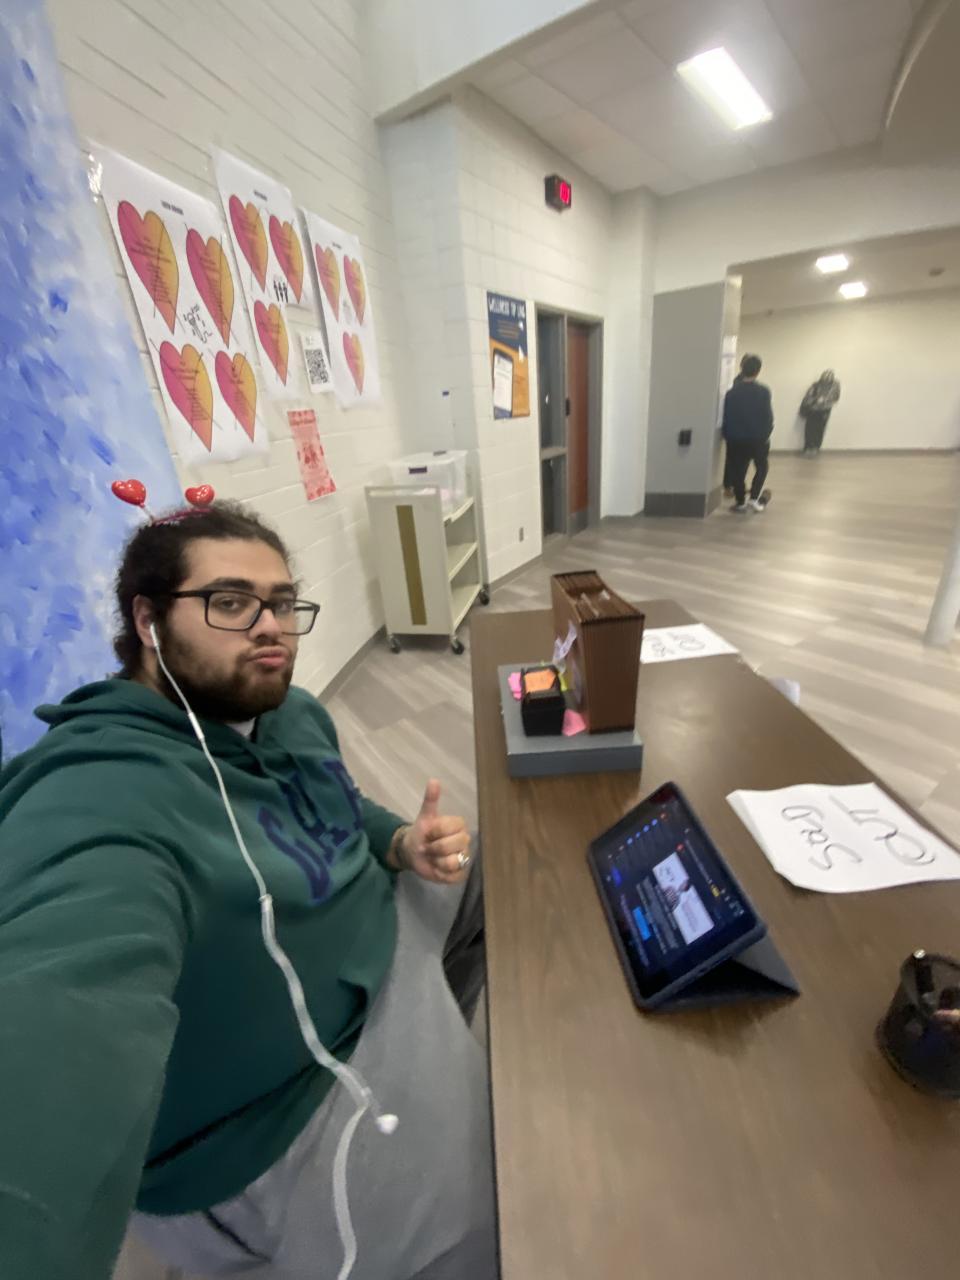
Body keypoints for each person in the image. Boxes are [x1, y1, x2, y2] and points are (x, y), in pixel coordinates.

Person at [0, 502, 495, 1280]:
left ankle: (439, 1045)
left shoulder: (288, 711)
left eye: (283, 603)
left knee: (494, 869)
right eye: (230, 603)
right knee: (502, 1219)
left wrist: (399, 841)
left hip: (375, 936)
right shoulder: (98, 793)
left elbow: (337, 803)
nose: (271, 628)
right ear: (149, 620)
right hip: (285, 1100)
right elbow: (57, 1013)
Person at [720, 353, 773, 514]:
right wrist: (766, 434)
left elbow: (727, 417)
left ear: (742, 369)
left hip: (736, 439)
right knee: (762, 467)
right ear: (758, 371)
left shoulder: (731, 393)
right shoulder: (764, 391)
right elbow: (768, 416)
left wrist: (728, 436)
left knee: (738, 471)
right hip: (758, 439)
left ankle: (740, 502)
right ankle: (754, 498)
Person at [799, 369, 841, 454]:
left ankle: (815, 447)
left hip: (824, 410)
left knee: (820, 429)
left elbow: (835, 397)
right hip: (813, 410)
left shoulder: (835, 386)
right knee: (809, 429)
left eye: (828, 380)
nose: (826, 381)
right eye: (824, 379)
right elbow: (808, 397)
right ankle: (808, 447)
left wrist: (825, 400)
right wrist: (815, 400)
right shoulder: (815, 385)